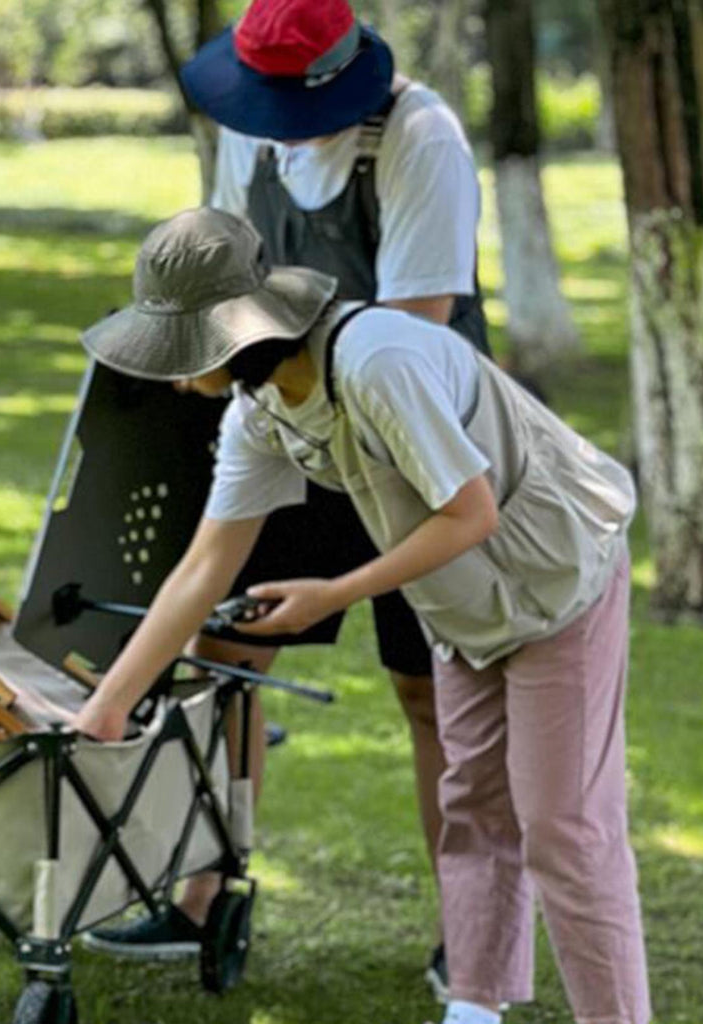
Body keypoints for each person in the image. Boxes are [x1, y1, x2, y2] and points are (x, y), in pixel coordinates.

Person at [71, 207, 651, 1024]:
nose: (169, 374)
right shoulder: (260, 412)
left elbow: (471, 512)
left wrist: (335, 591)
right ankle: (474, 1011)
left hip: (560, 574)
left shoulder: (377, 361)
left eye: (178, 348)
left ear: (232, 334)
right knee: (473, 809)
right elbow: (204, 567)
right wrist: (109, 706)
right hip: (465, 603)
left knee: (563, 829)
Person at [85, 0, 487, 989]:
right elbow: (229, 283)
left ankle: (471, 930)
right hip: (283, 409)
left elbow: (412, 333)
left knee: (431, 692)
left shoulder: (420, 138)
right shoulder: (248, 125)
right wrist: (106, 705)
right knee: (227, 653)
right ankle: (204, 894)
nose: (270, 123)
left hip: (412, 434)